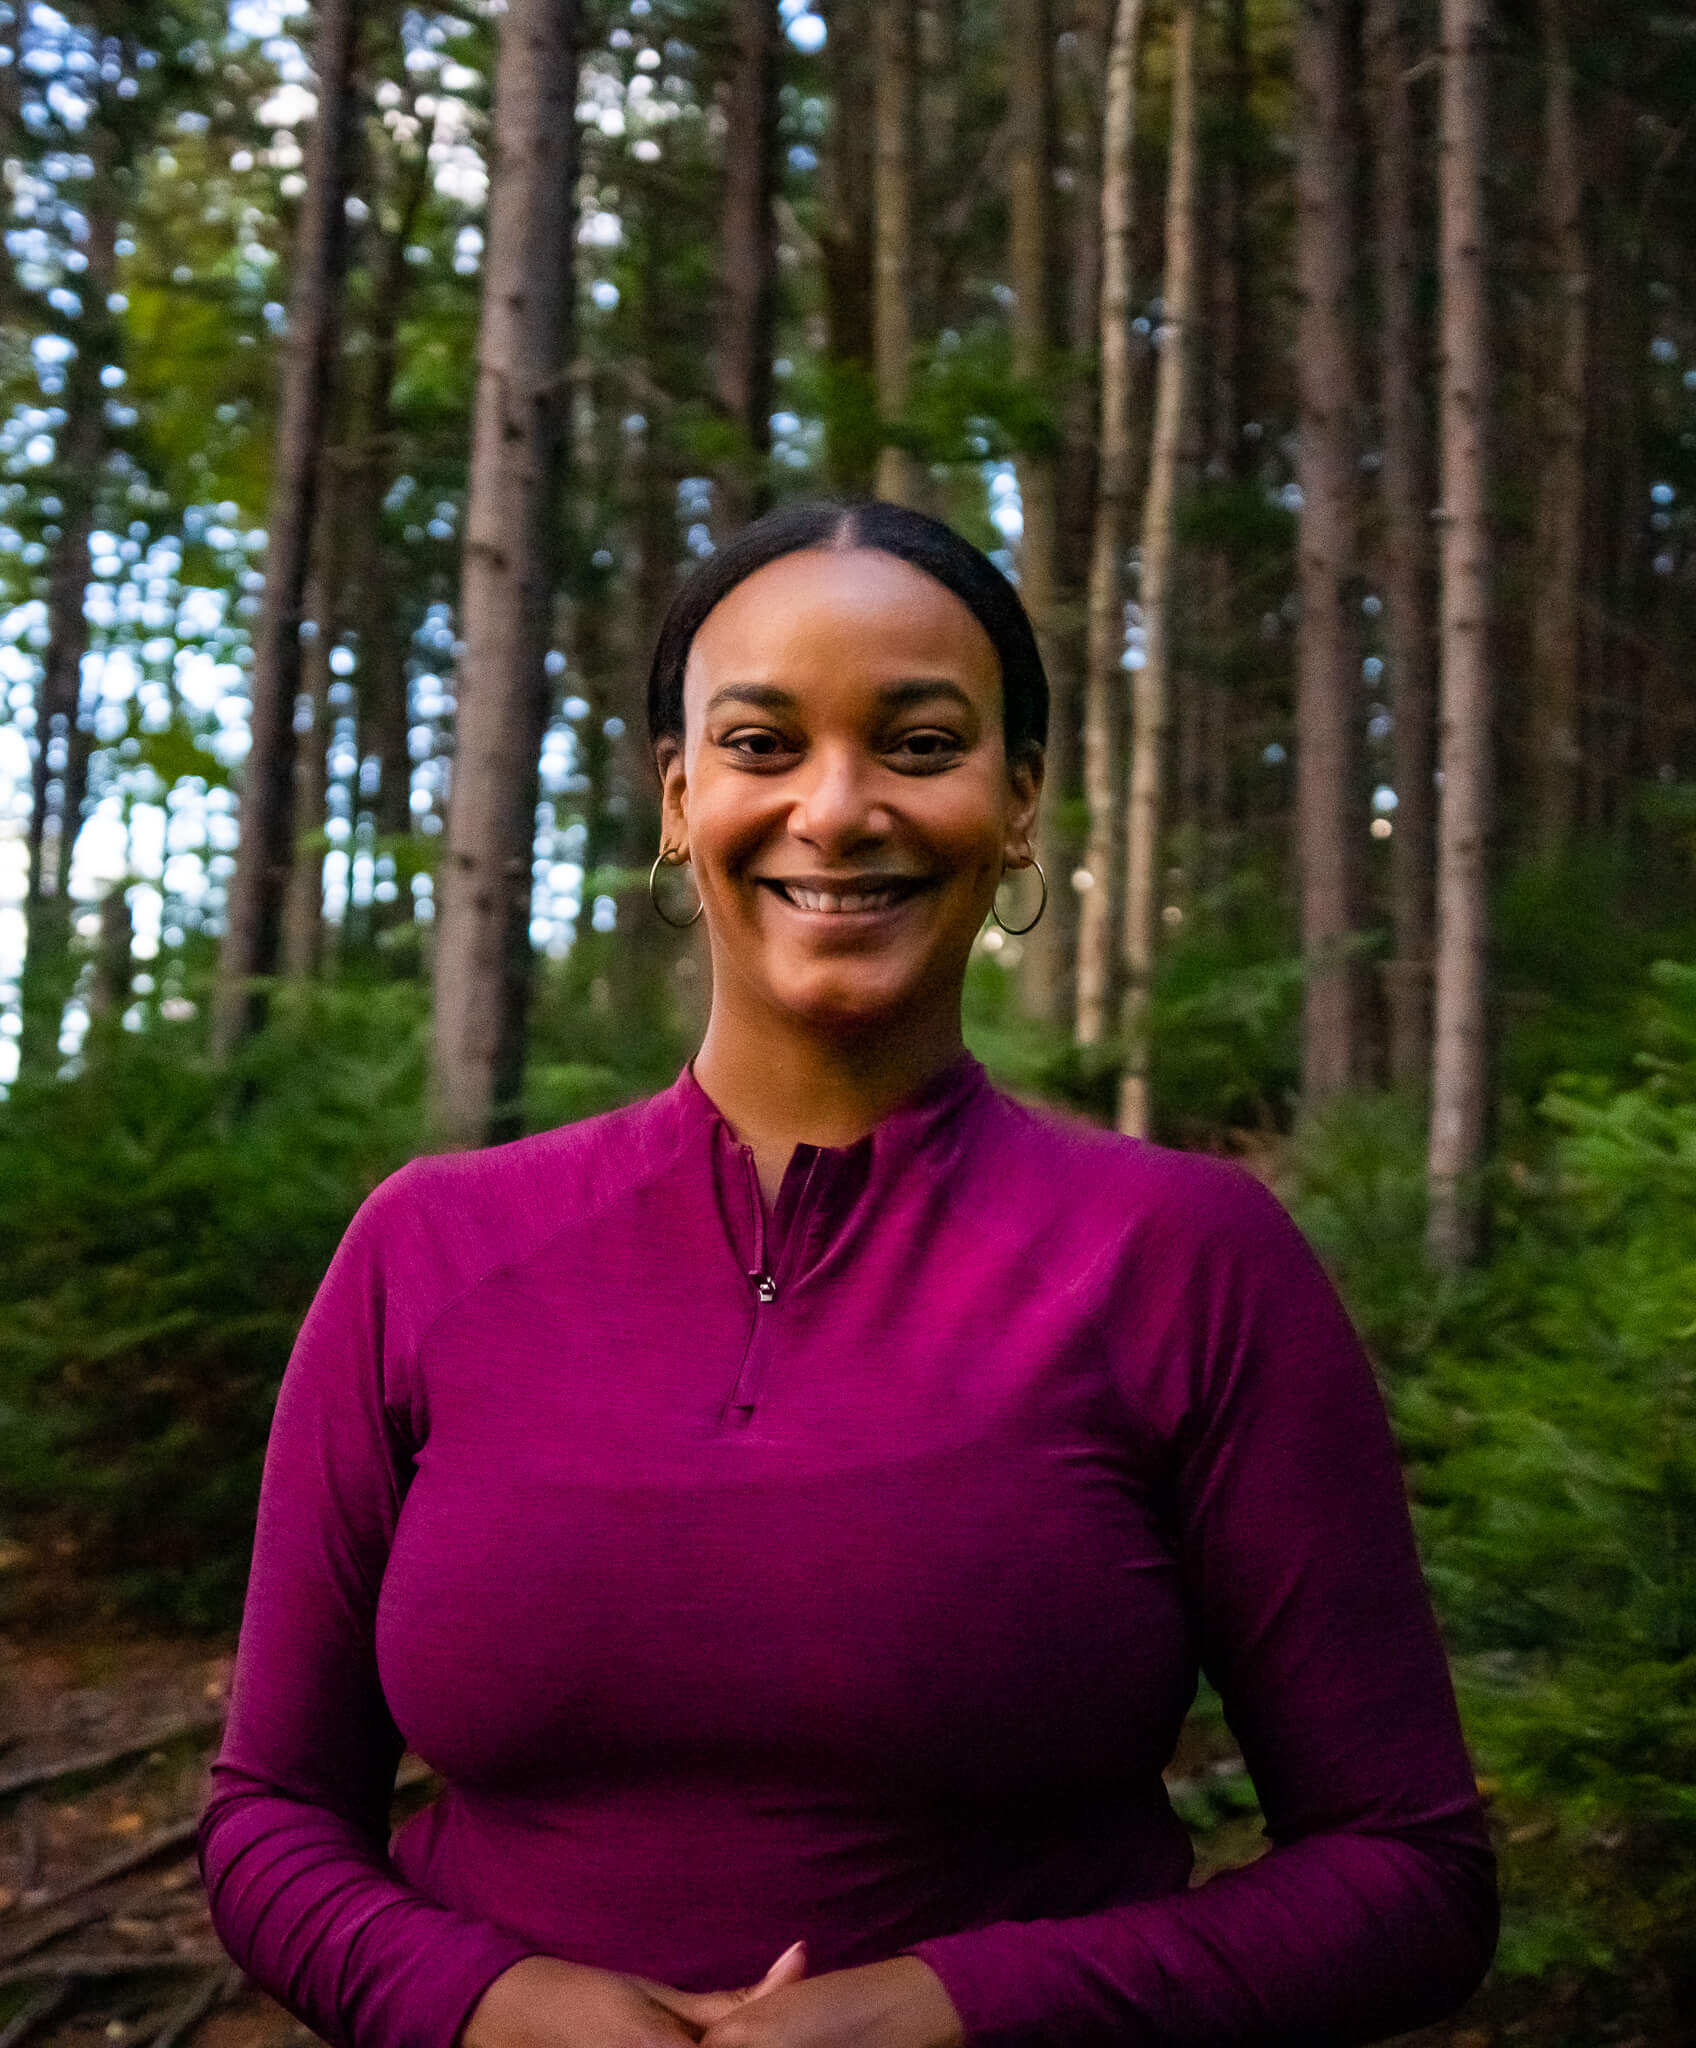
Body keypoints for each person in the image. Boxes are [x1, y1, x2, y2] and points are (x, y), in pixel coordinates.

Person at [199, 498, 1498, 2048]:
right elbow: (269, 1819)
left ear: (1020, 802)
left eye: (920, 743)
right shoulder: (429, 1249)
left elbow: (1411, 1877)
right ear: (678, 799)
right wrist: (490, 2004)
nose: (837, 807)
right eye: (760, 745)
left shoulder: (1188, 1264)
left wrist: (969, 2006)